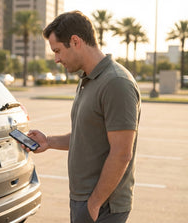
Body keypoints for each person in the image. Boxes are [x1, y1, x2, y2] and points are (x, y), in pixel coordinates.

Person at [24, 11, 141, 223]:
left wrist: (93, 204)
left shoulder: (116, 83)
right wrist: (48, 142)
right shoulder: (87, 79)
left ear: (75, 41)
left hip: (104, 205)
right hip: (84, 200)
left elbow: (122, 153)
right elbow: (86, 135)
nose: (57, 59)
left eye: (58, 51)